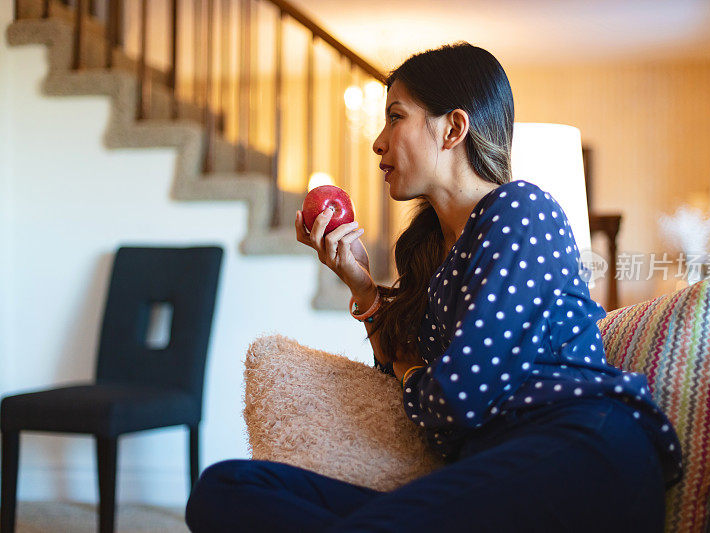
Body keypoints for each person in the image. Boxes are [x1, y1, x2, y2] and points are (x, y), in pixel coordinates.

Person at [185, 42, 683, 533]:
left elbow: (453, 400)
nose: (377, 142)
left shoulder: (521, 211)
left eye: (395, 117)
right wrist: (361, 286)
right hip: (488, 470)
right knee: (226, 489)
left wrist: (410, 372)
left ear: (453, 128)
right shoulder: (436, 251)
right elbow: (403, 371)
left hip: (579, 448)